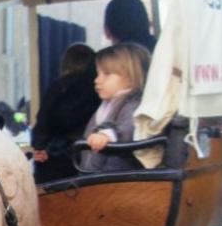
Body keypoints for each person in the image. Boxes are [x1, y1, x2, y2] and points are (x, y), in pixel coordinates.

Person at [31, 43, 101, 182]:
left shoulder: (57, 87)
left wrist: (39, 146)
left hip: (55, 158)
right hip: (87, 156)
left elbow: (43, 123)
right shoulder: (98, 89)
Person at [79, 42, 152, 172]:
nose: (97, 80)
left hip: (118, 178)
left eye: (106, 74)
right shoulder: (106, 105)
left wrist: (109, 135)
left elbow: (131, 125)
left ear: (131, 77)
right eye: (98, 74)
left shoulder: (134, 104)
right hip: (98, 174)